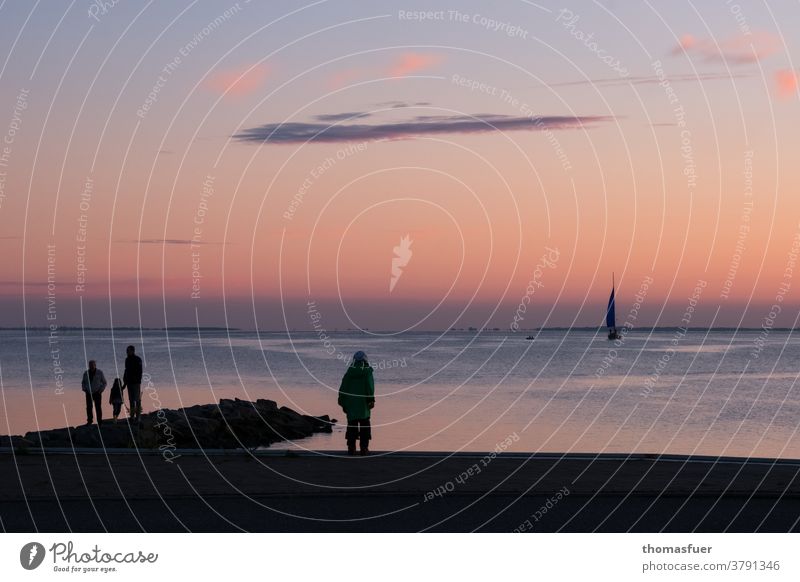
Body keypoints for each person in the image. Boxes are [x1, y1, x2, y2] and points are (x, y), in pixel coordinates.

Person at [337, 350, 375, 456]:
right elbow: (369, 387)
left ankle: (351, 448)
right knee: (365, 426)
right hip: (363, 405)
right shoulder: (367, 372)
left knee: (352, 426)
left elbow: (343, 388)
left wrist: (342, 402)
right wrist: (371, 400)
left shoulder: (349, 373)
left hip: (351, 404)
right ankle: (364, 448)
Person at [81, 360, 107, 425]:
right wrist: (84, 389)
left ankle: (99, 421)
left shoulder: (99, 372)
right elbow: (83, 382)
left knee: (98, 407)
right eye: (90, 365)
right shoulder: (86, 373)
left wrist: (101, 390)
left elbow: (104, 383)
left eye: (92, 365)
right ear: (89, 366)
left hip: (97, 392)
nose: (91, 366)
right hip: (88, 393)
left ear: (95, 365)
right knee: (89, 407)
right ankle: (89, 421)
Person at [122, 345, 143, 422]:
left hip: (136, 383)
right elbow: (126, 370)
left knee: (137, 399)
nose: (127, 352)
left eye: (128, 351)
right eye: (126, 351)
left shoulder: (138, 359)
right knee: (131, 400)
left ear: (133, 351)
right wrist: (124, 380)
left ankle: (138, 417)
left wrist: (137, 380)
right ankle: (132, 416)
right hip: (129, 382)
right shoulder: (127, 360)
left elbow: (140, 371)